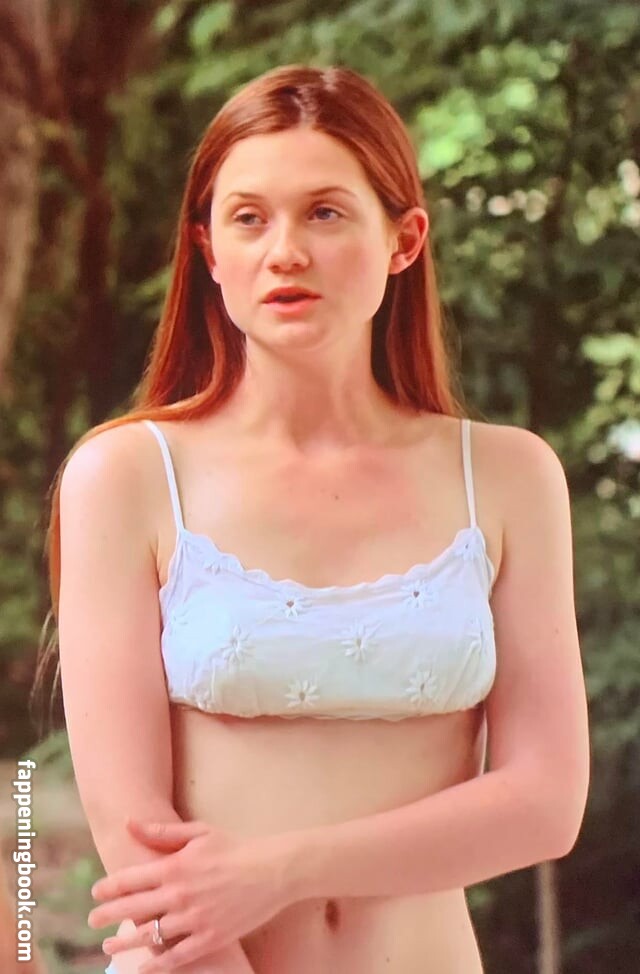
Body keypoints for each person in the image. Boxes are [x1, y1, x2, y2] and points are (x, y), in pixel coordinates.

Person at [38, 64, 590, 974]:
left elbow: (545, 802)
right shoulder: (127, 475)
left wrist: (279, 870)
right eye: (248, 218)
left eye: (325, 213)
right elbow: (134, 833)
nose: (285, 251)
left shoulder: (508, 476)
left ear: (404, 240)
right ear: (209, 251)